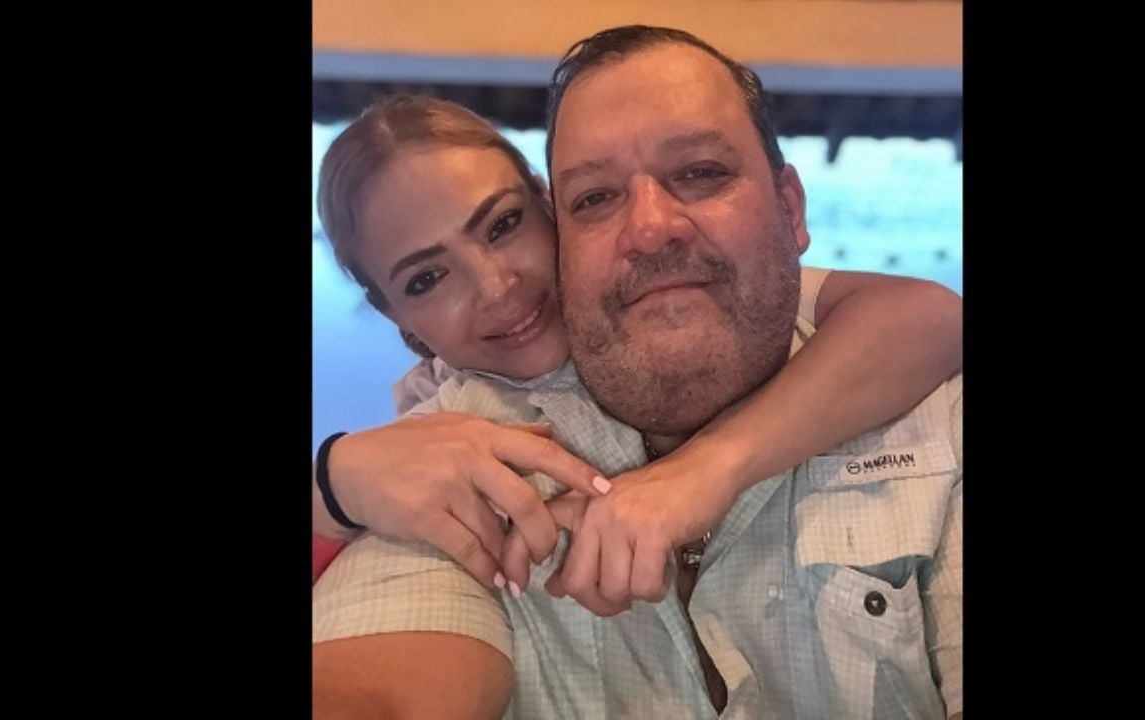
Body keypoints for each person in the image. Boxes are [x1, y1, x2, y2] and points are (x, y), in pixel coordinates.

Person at [314, 26, 961, 719]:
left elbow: (925, 316)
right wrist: (334, 480)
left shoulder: (902, 396)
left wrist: (704, 470)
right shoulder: (445, 458)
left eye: (702, 172)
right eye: (596, 197)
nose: (498, 289)